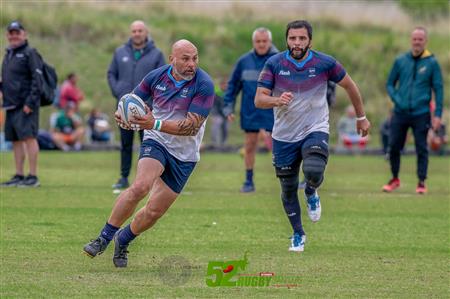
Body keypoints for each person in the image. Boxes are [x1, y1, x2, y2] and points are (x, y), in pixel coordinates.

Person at [83, 40, 215, 268]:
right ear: (172, 58)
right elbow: (131, 101)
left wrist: (154, 122)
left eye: (195, 58)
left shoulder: (204, 84)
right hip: (157, 141)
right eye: (185, 58)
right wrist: (122, 114)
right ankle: (102, 238)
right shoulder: (156, 77)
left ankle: (122, 240)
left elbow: (191, 127)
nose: (191, 64)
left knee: (154, 211)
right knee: (140, 186)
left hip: (185, 154)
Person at [255, 20, 370, 252]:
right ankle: (298, 234)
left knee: (314, 171)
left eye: (302, 38)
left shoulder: (325, 63)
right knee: (287, 189)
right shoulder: (274, 63)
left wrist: (361, 117)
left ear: (310, 40)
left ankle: (310, 191)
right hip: (284, 135)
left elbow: (350, 86)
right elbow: (259, 99)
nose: (297, 43)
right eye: (292, 38)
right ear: (286, 39)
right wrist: (277, 100)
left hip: (314, 127)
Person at [382, 26, 443, 194]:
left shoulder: (432, 63)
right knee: (394, 146)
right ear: (411, 40)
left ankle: (421, 182)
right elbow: (389, 84)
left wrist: (437, 114)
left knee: (421, 148)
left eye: (420, 39)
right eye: (414, 39)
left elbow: (438, 89)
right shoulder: (400, 60)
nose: (417, 42)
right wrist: (397, 99)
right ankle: (395, 178)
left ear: (425, 41)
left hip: (421, 113)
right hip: (400, 112)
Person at [107, 20, 165, 189]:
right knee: (125, 144)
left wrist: (153, 103)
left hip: (147, 110)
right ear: (131, 33)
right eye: (134, 31)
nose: (137, 33)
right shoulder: (120, 52)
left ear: (146, 32)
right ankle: (124, 177)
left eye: (140, 30)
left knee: (148, 144)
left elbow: (163, 80)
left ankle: (145, 179)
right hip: (124, 110)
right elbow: (111, 74)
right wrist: (119, 91)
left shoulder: (156, 54)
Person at [223, 27, 278, 193]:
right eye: (258, 41)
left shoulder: (279, 60)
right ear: (253, 42)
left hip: (274, 112)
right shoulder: (243, 61)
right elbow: (233, 86)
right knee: (249, 146)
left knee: (282, 147)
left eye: (264, 41)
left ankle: (288, 180)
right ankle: (248, 181)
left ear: (269, 41)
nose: (261, 44)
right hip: (250, 111)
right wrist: (228, 107)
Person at [0, 21, 42, 187]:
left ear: (24, 35)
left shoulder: (30, 53)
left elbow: (37, 80)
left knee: (29, 138)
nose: (14, 36)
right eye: (11, 32)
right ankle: (19, 175)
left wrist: (30, 102)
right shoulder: (8, 54)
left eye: (17, 32)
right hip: (10, 105)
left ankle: (32, 176)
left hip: (25, 105)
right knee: (16, 140)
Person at [210, 78, 229, 149]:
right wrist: (213, 115)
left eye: (227, 85)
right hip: (217, 113)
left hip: (225, 114)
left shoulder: (228, 93)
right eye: (224, 85)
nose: (225, 86)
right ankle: (214, 143)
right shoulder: (216, 92)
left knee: (226, 128)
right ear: (221, 85)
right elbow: (212, 104)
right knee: (216, 126)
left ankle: (223, 144)